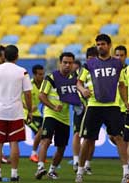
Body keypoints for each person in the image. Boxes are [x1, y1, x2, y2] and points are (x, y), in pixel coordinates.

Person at [75, 34, 129, 183]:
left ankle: (126, 172)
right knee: (87, 139)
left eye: (103, 44)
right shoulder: (89, 64)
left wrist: (125, 101)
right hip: (94, 106)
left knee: (119, 138)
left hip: (112, 106)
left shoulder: (118, 64)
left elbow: (122, 85)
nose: (100, 47)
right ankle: (79, 172)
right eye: (98, 44)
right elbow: (78, 82)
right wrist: (82, 90)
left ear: (109, 45)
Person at [0, 45, 33, 181]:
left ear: (4, 56)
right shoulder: (22, 72)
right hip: (16, 112)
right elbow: (28, 93)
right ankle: (14, 173)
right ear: (17, 56)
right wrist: (29, 111)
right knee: (14, 142)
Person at [35, 52, 80, 180]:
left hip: (65, 118)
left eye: (70, 63)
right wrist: (53, 106)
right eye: (65, 62)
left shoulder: (74, 80)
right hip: (50, 114)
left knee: (61, 148)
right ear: (60, 63)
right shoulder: (51, 77)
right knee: (46, 140)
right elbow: (41, 95)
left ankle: (52, 171)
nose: (67, 65)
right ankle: (40, 167)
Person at [72, 47, 98, 174]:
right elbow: (76, 88)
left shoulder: (98, 71)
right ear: (87, 59)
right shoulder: (81, 72)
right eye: (90, 58)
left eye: (94, 58)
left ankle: (87, 163)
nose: (92, 61)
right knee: (77, 133)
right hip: (80, 107)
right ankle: (76, 160)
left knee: (91, 138)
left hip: (94, 107)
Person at [25, 64, 45, 163]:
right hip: (26, 114)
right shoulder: (28, 85)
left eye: (43, 74)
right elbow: (19, 100)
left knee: (44, 133)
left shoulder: (44, 85)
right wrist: (28, 108)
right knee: (40, 131)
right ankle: (33, 154)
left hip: (37, 114)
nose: (42, 76)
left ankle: (40, 155)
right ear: (34, 75)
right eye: (40, 74)